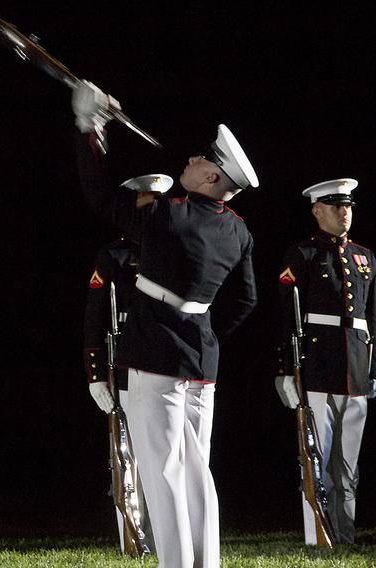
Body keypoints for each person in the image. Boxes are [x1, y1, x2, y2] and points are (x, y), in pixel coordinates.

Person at [72, 81, 259, 568]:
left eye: (202, 159)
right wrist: (206, 329)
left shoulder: (171, 215)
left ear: (212, 178)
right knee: (197, 468)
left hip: (155, 351)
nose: (193, 160)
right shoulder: (237, 228)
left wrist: (90, 129)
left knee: (162, 469)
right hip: (202, 355)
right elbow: (246, 299)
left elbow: (98, 196)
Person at [274, 178, 376, 545]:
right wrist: (287, 369)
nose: (344, 212)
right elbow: (287, 316)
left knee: (348, 465)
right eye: (336, 206)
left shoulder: (364, 256)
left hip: (355, 367)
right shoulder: (302, 254)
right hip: (318, 366)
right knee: (317, 460)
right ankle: (318, 535)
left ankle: (345, 534)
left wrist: (373, 368)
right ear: (318, 211)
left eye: (348, 206)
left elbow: (374, 318)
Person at [83, 174, 172, 554]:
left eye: (157, 201)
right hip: (126, 364)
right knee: (128, 454)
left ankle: (169, 534)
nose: (151, 208)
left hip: (169, 362)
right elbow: (95, 316)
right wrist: (95, 375)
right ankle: (134, 536)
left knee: (168, 455)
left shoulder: (177, 249)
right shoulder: (115, 255)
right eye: (145, 200)